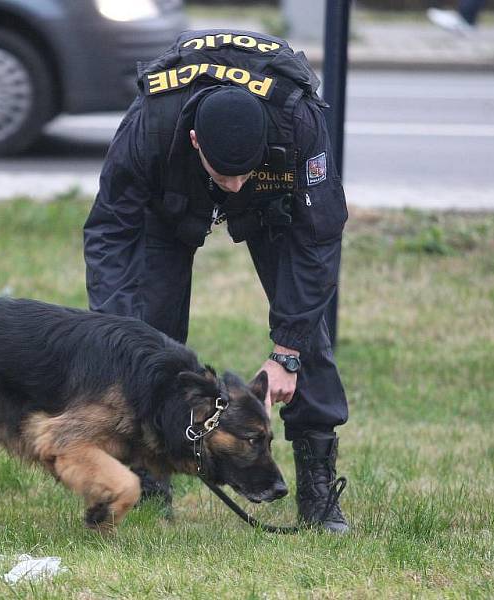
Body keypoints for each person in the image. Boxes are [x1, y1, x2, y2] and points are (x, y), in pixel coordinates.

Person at [83, 30, 349, 533]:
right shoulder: (152, 122)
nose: (233, 185)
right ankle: (146, 467)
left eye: (242, 172)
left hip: (276, 202)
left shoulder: (297, 122)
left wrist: (287, 350)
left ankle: (317, 489)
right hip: (171, 198)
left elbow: (319, 239)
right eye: (224, 174)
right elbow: (110, 228)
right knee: (144, 334)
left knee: (306, 333)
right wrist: (115, 333)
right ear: (195, 141)